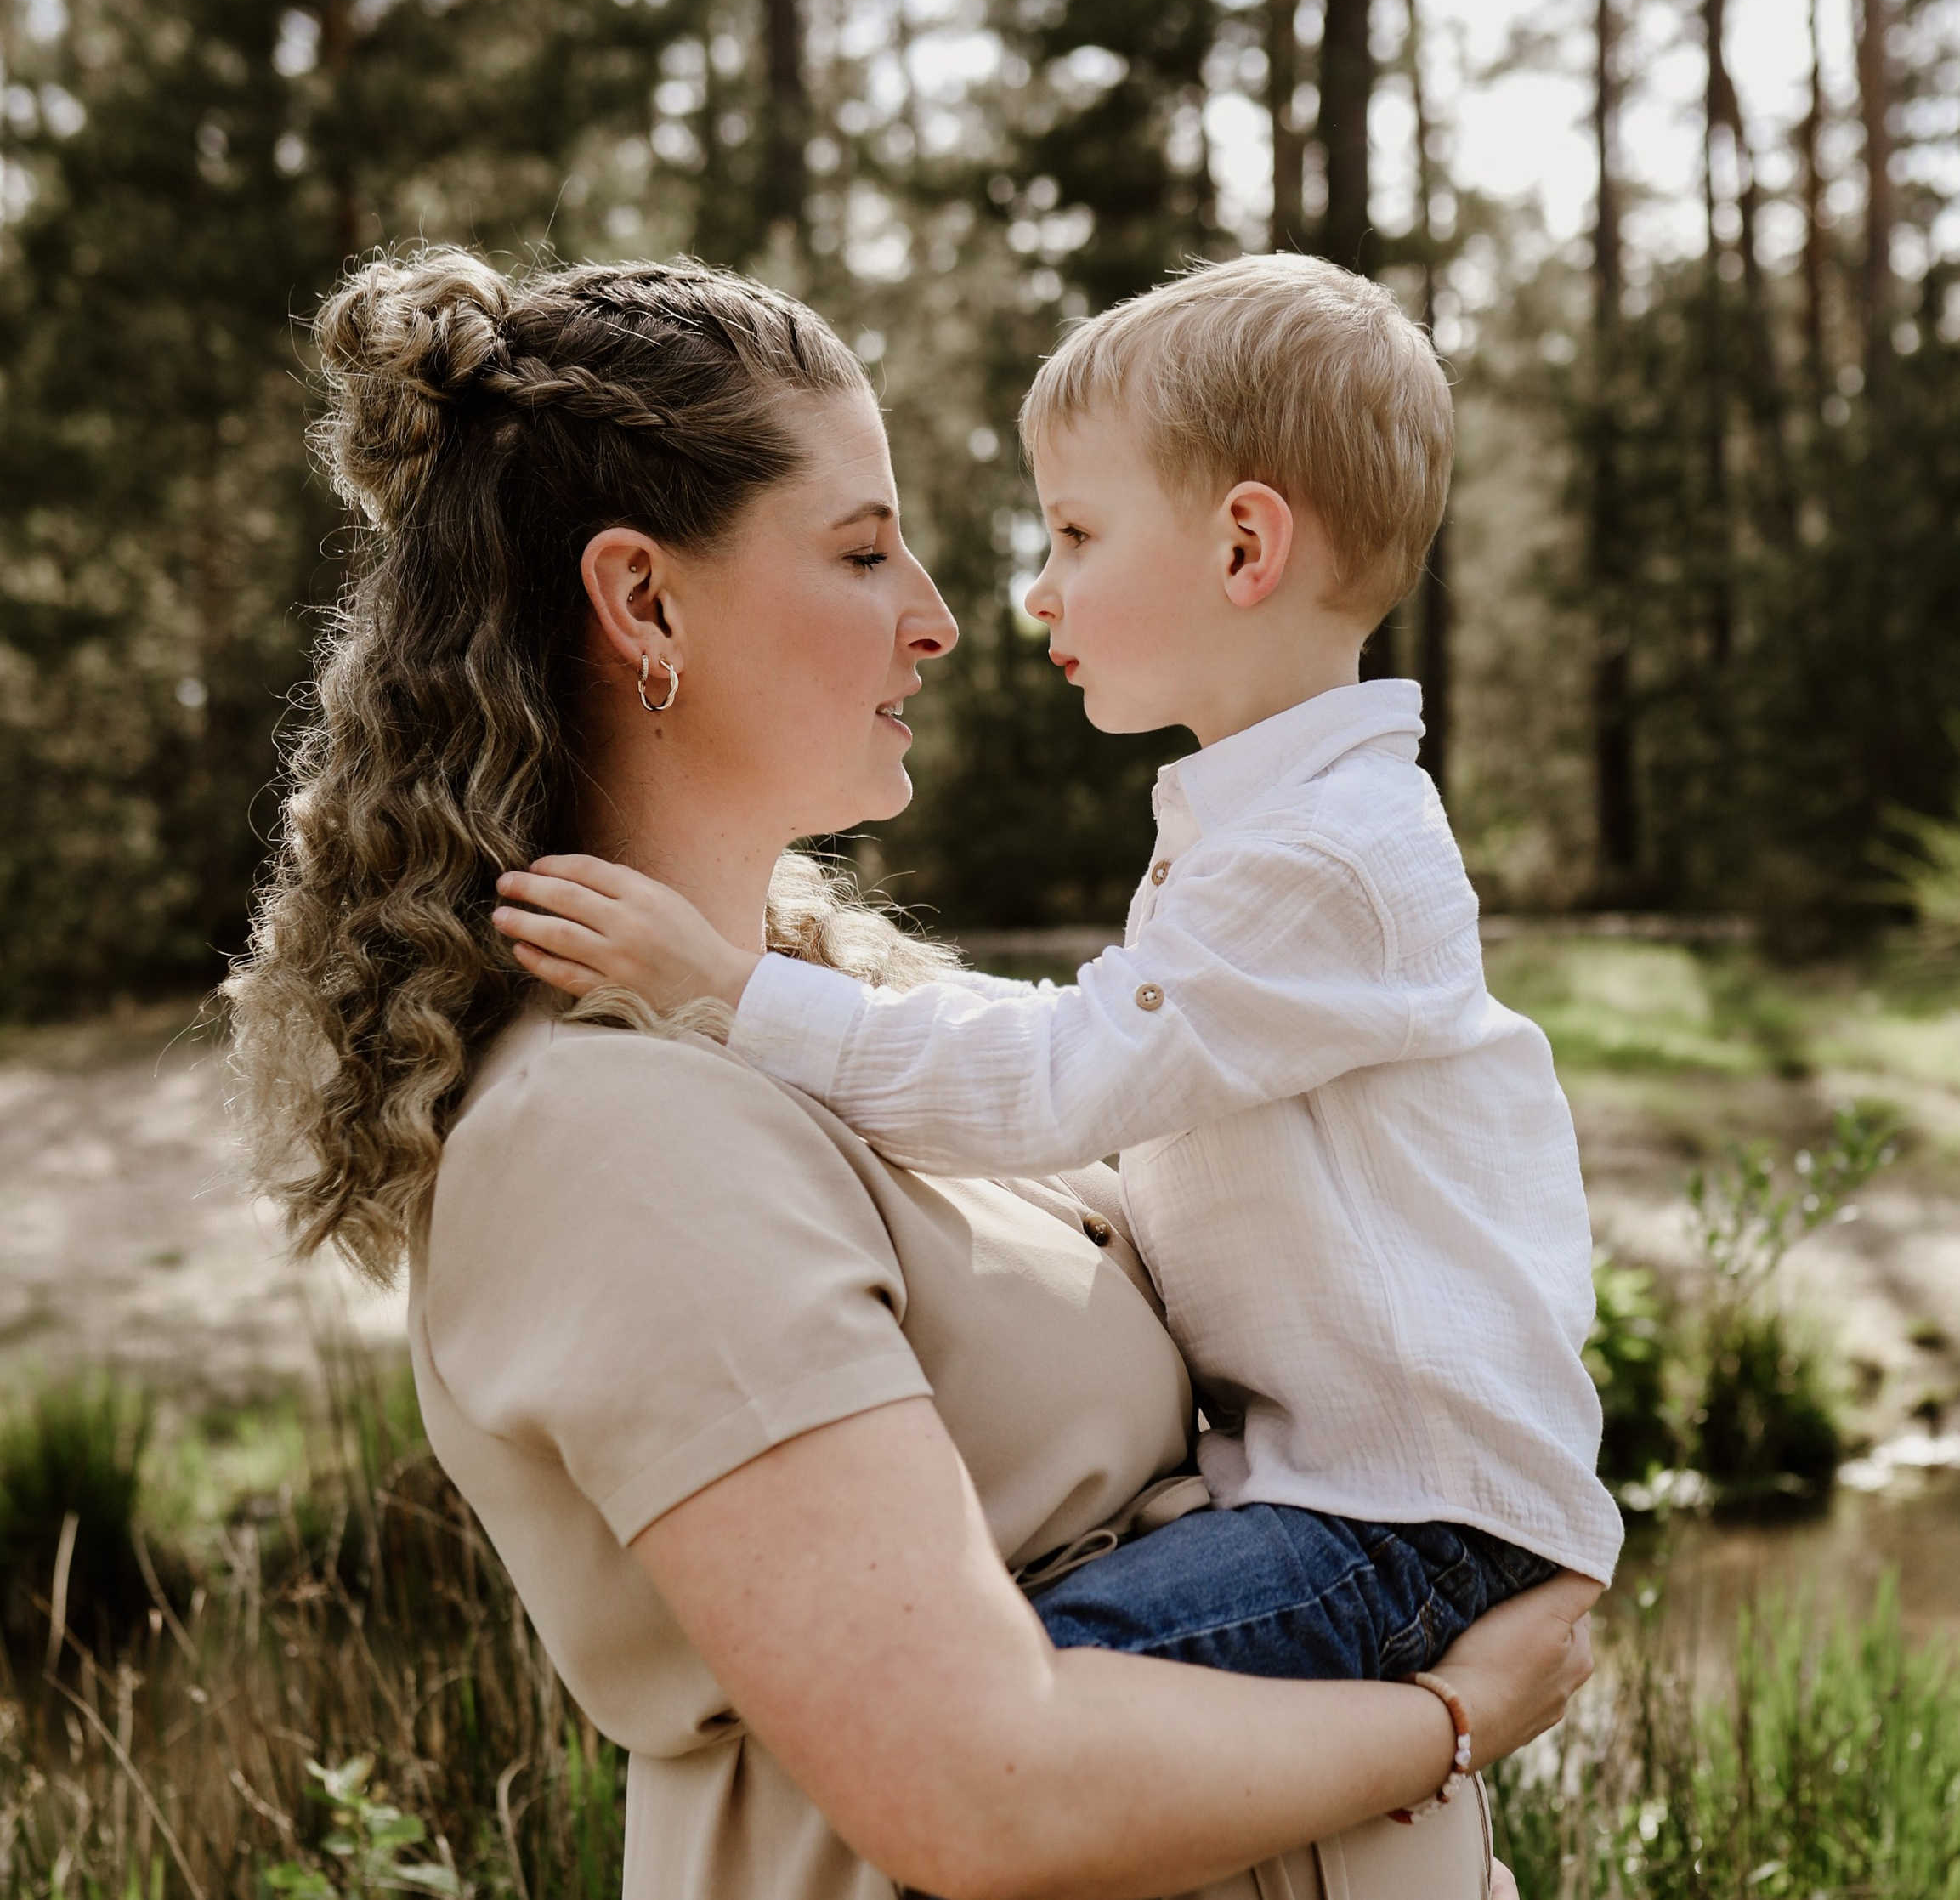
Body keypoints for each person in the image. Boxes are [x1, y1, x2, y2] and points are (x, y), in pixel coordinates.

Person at [226, 244, 1600, 1900]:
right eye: (866, 550)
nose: (945, 618)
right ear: (646, 604)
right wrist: (1451, 1715)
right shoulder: (611, 1133)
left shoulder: (849, 1027)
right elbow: (982, 1791)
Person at [491, 252, 1624, 1692]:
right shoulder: (1268, 828)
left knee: (1021, 1684)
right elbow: (1090, 1039)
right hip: (1346, 1491)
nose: (1028, 593)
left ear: (1240, 550)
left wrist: (737, 992)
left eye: (1077, 534)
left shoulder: (1328, 858)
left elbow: (1062, 1079)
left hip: (1407, 1513)